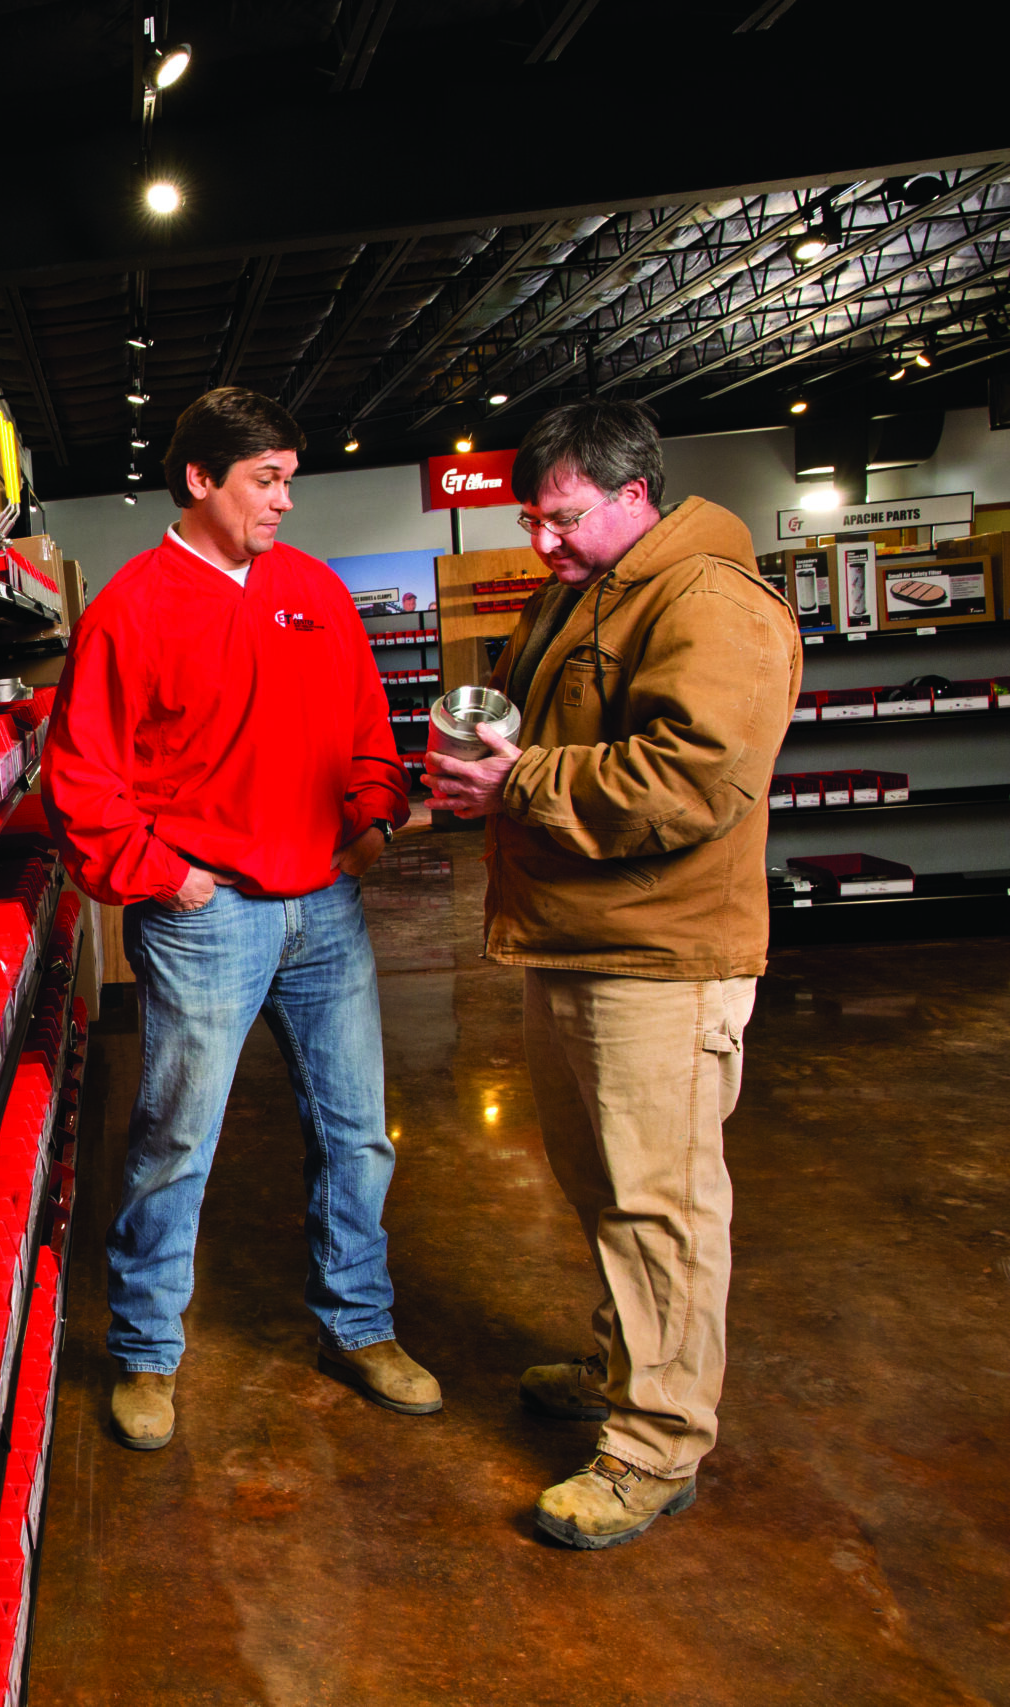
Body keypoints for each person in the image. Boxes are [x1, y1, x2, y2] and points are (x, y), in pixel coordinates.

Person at [422, 399, 797, 1550]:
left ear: (636, 497)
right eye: (533, 518)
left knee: (663, 1206)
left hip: (661, 957)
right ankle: (626, 1361)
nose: (541, 541)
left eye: (562, 518)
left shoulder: (709, 603)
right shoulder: (589, 587)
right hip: (579, 939)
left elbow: (691, 779)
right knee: (604, 1190)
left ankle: (656, 1445)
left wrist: (521, 783)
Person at [42, 386, 431, 1454]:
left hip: (328, 908)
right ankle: (145, 1352)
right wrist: (162, 877)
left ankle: (358, 1328)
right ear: (200, 480)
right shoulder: (129, 609)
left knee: (355, 1135)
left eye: (289, 481)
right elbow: (80, 777)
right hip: (209, 916)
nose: (285, 503)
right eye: (266, 481)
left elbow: (365, 725)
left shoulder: (312, 590)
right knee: (176, 1143)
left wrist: (373, 821)